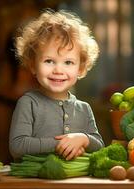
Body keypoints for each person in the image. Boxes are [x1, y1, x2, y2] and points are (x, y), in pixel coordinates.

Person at [9, 9, 105, 161]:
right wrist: (61, 144)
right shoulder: (28, 103)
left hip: (75, 181)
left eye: (68, 62)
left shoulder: (84, 108)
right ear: (33, 65)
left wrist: (84, 138)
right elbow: (18, 146)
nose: (58, 70)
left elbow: (99, 144)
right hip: (34, 182)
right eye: (49, 61)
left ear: (80, 68)